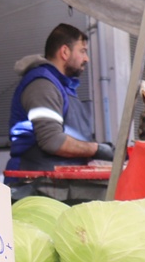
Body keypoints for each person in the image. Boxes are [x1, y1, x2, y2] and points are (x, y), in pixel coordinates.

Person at [6, 23, 113, 173]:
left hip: (59, 185)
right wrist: (97, 149)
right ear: (64, 52)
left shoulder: (63, 87)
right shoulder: (42, 85)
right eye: (82, 51)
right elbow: (52, 141)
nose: (86, 58)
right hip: (35, 185)